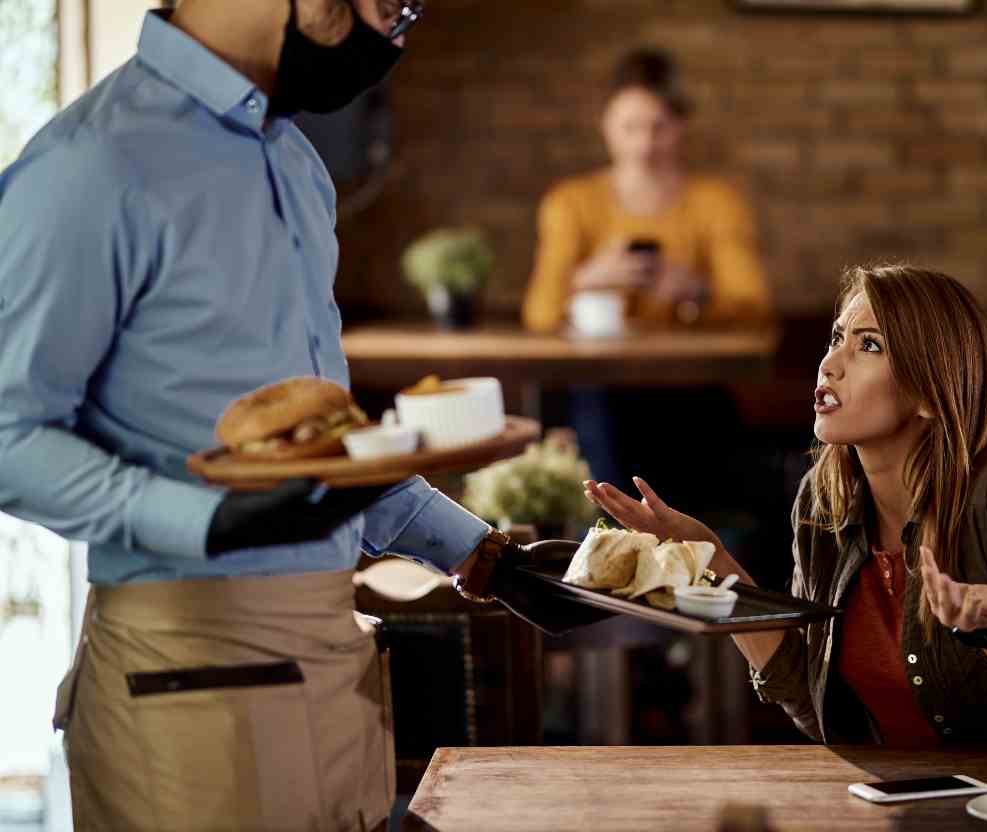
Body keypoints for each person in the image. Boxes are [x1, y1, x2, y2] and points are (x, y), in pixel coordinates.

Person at [0, 2, 593, 828]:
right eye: (388, 2)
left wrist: (486, 558)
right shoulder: (92, 163)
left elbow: (324, 447)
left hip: (336, 663)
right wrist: (210, 522)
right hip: (183, 679)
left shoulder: (295, 164)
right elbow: (8, 436)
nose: (394, 30)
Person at [585, 265, 987, 748]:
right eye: (838, 337)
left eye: (869, 346)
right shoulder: (824, 500)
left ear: (930, 393)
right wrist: (709, 560)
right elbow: (812, 701)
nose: (829, 364)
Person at [521, 47, 772, 333]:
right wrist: (586, 279)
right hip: (591, 371)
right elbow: (538, 316)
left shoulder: (718, 203)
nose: (644, 145)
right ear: (606, 125)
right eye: (630, 127)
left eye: (659, 127)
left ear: (680, 126)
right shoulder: (568, 202)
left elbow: (754, 308)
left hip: (689, 369)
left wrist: (696, 291)